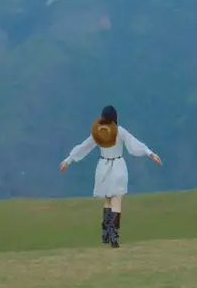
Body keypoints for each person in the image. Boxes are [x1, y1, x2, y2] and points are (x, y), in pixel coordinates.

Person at [60, 105, 161, 248]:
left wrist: (68, 160)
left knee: (107, 199)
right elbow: (134, 143)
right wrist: (150, 153)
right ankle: (114, 236)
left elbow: (84, 146)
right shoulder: (119, 131)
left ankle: (106, 233)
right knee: (116, 200)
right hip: (118, 165)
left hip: (103, 166)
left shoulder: (98, 132)